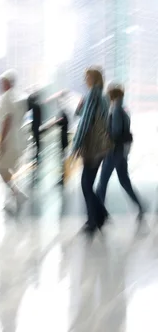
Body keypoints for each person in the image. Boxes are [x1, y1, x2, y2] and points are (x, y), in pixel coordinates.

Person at [71, 67, 111, 236]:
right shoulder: (102, 96)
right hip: (101, 146)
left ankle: (94, 220)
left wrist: (76, 144)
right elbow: (84, 114)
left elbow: (86, 121)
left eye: (86, 76)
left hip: (92, 147)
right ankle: (99, 215)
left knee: (86, 184)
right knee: (88, 183)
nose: (84, 79)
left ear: (93, 78)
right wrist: (81, 105)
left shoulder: (93, 95)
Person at [95, 84, 144, 221]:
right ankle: (140, 206)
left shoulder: (116, 110)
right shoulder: (123, 110)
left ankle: (99, 213)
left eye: (109, 95)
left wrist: (104, 134)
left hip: (113, 151)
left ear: (113, 96)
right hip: (121, 152)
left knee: (103, 182)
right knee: (124, 181)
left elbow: (115, 133)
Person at [0, 70, 28, 214]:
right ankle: (15, 194)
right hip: (18, 137)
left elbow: (7, 120)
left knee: (1, 168)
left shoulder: (7, 97)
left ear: (8, 83)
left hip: (9, 139)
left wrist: (1, 141)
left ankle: (17, 194)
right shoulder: (18, 96)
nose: (1, 85)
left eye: (3, 82)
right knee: (6, 167)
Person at [56, 91, 70, 186]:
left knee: (62, 157)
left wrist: (58, 121)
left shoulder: (63, 113)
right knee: (62, 157)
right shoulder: (64, 112)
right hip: (64, 136)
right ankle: (63, 176)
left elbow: (61, 123)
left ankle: (63, 177)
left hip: (63, 137)